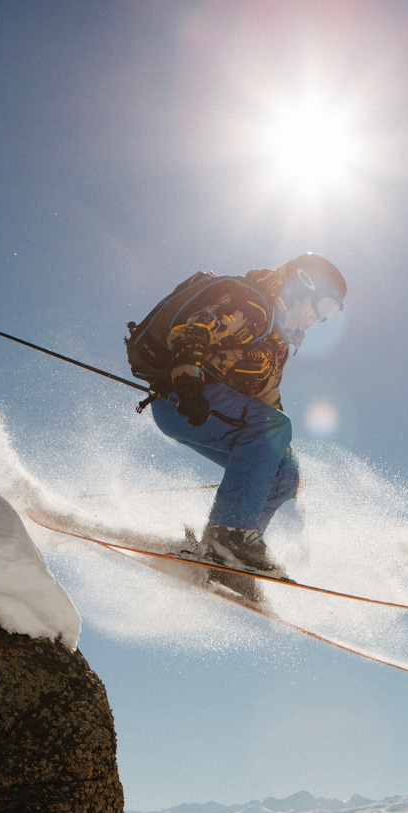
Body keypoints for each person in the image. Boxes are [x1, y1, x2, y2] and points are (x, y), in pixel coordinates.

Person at [126, 253, 346, 600]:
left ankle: (226, 559)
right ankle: (228, 534)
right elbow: (195, 330)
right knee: (274, 430)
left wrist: (279, 458)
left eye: (330, 314)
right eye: (324, 306)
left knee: (285, 471)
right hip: (184, 400)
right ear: (302, 285)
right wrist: (188, 382)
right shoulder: (253, 307)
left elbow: (266, 402)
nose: (320, 318)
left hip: (214, 407)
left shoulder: (277, 343)